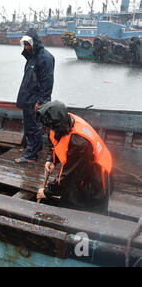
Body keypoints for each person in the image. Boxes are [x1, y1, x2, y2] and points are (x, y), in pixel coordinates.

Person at [35, 100, 113, 214]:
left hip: (95, 176)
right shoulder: (62, 123)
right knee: (69, 202)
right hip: (80, 168)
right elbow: (58, 143)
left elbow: (69, 175)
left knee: (91, 212)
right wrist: (52, 159)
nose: (47, 128)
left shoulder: (79, 142)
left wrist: (47, 192)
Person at [15, 28, 54, 163]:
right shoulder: (31, 57)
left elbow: (47, 82)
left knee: (34, 126)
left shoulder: (46, 58)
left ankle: (31, 155)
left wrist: (41, 101)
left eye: (28, 44)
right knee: (28, 125)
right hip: (27, 98)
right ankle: (29, 147)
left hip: (36, 99)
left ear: (35, 43)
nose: (26, 47)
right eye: (24, 44)